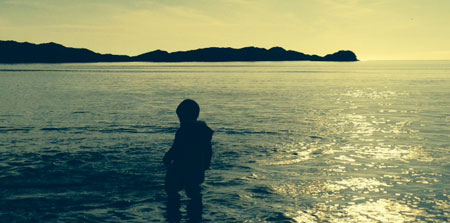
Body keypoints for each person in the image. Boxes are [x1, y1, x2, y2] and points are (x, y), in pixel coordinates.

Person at [163, 99, 213, 222]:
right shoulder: (203, 131)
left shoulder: (184, 130)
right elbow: (208, 150)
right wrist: (206, 164)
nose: (180, 121)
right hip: (197, 168)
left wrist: (167, 157)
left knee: (172, 191)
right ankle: (195, 215)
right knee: (194, 192)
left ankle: (173, 216)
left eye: (180, 117)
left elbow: (177, 147)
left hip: (180, 168)